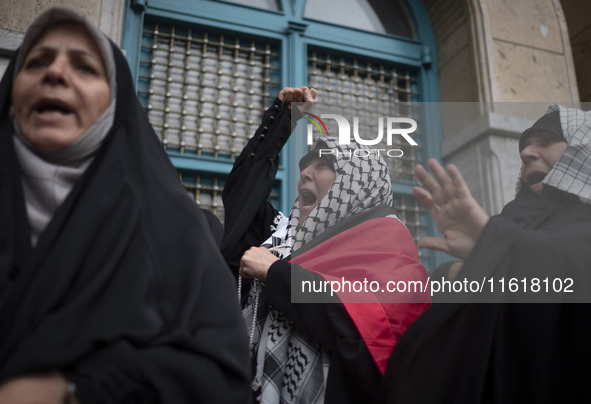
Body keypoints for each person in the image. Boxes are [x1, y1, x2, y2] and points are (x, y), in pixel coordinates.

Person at [0, 8, 251, 403]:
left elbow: (217, 378)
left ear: (114, 104)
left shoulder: (170, 230)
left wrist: (74, 391)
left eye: (84, 68)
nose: (55, 74)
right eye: (36, 62)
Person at [221, 87, 431, 403]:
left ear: (356, 183)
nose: (304, 173)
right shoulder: (285, 240)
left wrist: (278, 276)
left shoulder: (394, 258)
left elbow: (362, 334)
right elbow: (242, 198)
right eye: (306, 165)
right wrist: (282, 118)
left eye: (323, 165)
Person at [379, 105, 591, 403]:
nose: (527, 152)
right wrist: (460, 270)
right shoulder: (512, 220)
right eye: (525, 147)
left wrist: (492, 246)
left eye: (545, 141)